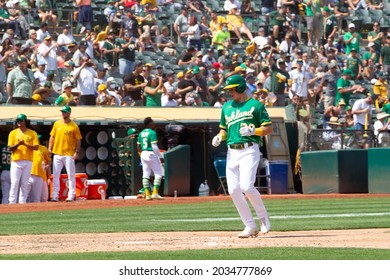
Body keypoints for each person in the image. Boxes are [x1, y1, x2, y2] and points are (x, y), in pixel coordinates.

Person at [211, 74, 272, 238]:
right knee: (233, 190)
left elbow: (268, 128)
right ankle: (250, 226)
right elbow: (224, 129)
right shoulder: (227, 107)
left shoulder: (255, 105)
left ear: (240, 87)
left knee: (246, 186)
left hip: (249, 150)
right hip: (232, 151)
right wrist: (219, 137)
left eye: (232, 89)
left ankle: (263, 219)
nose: (229, 93)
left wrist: (254, 131)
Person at [48, 106, 82, 202]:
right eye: (62, 112)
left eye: (65, 112)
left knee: (70, 175)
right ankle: (55, 195)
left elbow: (78, 140)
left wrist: (76, 152)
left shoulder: (74, 126)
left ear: (69, 113)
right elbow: (52, 137)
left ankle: (71, 194)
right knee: (55, 175)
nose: (63, 114)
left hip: (68, 153)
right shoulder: (57, 124)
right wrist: (49, 148)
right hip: (57, 152)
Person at [7, 114, 39, 204]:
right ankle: (12, 201)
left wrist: (25, 144)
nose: (19, 122)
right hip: (16, 161)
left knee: (25, 183)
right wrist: (18, 144)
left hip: (28, 160)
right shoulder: (13, 133)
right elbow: (9, 148)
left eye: (21, 120)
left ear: (25, 121)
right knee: (14, 182)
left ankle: (22, 202)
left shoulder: (32, 133)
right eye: (18, 121)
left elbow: (36, 147)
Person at [137, 117, 164, 200]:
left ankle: (148, 194)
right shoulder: (152, 132)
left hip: (143, 153)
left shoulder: (141, 133)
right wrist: (160, 157)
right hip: (151, 153)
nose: (154, 123)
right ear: (149, 123)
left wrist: (142, 155)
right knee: (158, 173)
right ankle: (155, 193)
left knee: (146, 174)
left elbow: (138, 146)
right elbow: (154, 147)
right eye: (152, 122)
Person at [27, 135, 51, 203]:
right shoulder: (28, 147)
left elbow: (48, 161)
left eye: (38, 139)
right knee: (27, 196)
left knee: (42, 197)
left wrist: (49, 177)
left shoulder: (43, 148)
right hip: (29, 174)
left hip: (40, 175)